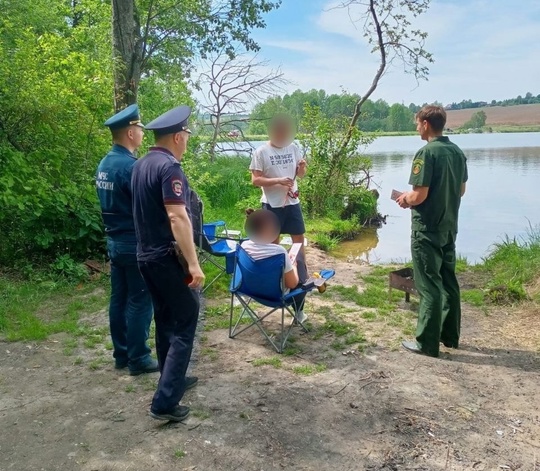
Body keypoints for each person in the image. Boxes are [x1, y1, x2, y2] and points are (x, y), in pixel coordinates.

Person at [131, 105, 205, 422]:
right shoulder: (170, 168)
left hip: (144, 255)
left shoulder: (141, 164)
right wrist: (193, 264)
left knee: (165, 320)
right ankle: (164, 403)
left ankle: (170, 379)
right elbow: (177, 216)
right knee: (187, 319)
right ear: (177, 137)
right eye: (186, 136)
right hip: (165, 257)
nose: (187, 142)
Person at [396, 105, 468, 358]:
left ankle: (427, 343)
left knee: (428, 285)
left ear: (426, 124)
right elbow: (461, 190)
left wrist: (405, 198)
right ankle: (449, 336)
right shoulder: (457, 152)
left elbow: (419, 194)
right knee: (449, 281)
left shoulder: (426, 154)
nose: (416, 128)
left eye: (417, 123)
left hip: (427, 229)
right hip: (449, 227)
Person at [96, 104, 158, 376]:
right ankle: (139, 358)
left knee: (119, 299)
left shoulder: (105, 163)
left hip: (114, 240)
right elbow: (146, 206)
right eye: (140, 129)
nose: (143, 133)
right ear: (131, 132)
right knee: (140, 300)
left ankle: (121, 353)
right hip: (133, 242)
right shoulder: (131, 167)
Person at [249, 114, 308, 283]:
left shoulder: (293, 148)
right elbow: (255, 180)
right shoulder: (261, 152)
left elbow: (301, 175)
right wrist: (278, 181)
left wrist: (303, 167)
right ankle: (276, 276)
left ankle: (302, 274)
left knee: (299, 238)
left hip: (292, 201)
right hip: (272, 203)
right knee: (274, 241)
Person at [242, 209, 308, 317]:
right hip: (276, 296)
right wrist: (294, 266)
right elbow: (292, 284)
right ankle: (299, 314)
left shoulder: (244, 246)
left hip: (251, 291)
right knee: (299, 263)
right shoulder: (279, 251)